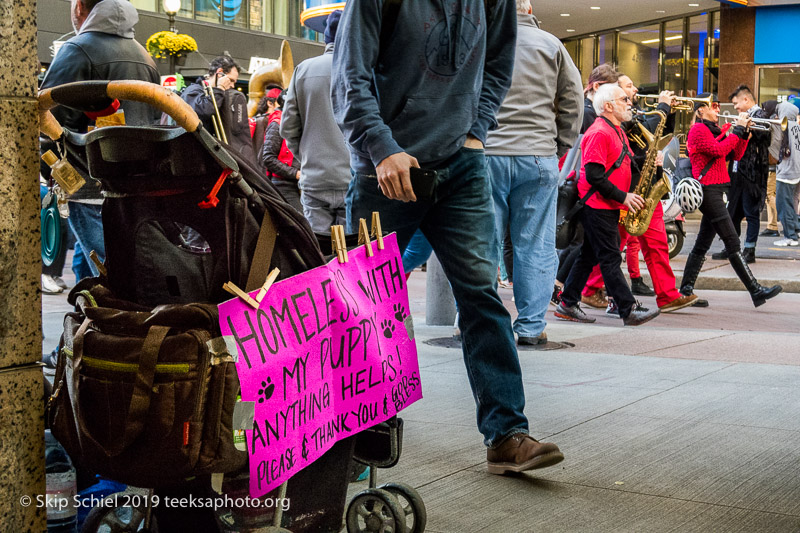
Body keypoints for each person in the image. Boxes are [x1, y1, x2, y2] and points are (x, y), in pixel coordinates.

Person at [332, 0, 565, 474]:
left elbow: (499, 64)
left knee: (482, 295)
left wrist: (476, 131)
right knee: (364, 304)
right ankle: (351, 437)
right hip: (386, 169)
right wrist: (381, 148)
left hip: (462, 165)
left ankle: (506, 434)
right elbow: (348, 79)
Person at [40, 0, 160, 282]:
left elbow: (48, 119)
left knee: (110, 269)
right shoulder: (144, 55)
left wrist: (50, 171)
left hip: (88, 179)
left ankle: (121, 320)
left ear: (80, 6)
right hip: (135, 179)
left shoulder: (77, 49)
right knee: (94, 262)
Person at [485, 0, 583, 346]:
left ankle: (470, 320)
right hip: (538, 155)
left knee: (482, 242)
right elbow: (573, 101)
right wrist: (559, 146)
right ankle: (529, 327)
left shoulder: (482, 38)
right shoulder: (552, 45)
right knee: (535, 245)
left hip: (487, 154)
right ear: (528, 8)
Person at [554, 83, 660, 327]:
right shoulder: (599, 132)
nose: (629, 103)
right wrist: (624, 197)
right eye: (624, 99)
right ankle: (628, 309)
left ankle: (567, 302)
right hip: (597, 205)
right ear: (609, 106)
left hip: (607, 205)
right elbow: (593, 175)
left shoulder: (617, 130)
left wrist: (651, 160)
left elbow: (625, 162)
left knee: (588, 255)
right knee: (610, 257)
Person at [679, 94, 782, 307]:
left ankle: (685, 291)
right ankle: (755, 290)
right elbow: (719, 150)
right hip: (708, 191)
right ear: (700, 111)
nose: (718, 110)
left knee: (702, 243)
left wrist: (744, 134)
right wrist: (737, 130)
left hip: (718, 190)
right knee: (732, 241)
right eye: (713, 106)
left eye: (717, 106)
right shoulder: (698, 130)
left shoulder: (714, 131)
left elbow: (734, 154)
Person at [606, 75, 697, 313]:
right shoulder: (616, 117)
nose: (634, 90)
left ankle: (667, 295)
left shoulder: (635, 113)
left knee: (657, 244)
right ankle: (590, 288)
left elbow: (659, 135)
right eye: (628, 87)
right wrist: (663, 107)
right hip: (629, 190)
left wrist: (670, 112)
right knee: (616, 244)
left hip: (647, 190)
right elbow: (629, 146)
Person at [281, 10, 350, 234]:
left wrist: (306, 156)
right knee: (352, 253)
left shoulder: (303, 70)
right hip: (352, 178)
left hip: (314, 177)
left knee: (318, 252)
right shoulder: (361, 70)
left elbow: (288, 127)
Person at [711, 85, 771, 263]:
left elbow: (764, 139)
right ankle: (732, 249)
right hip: (737, 171)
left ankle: (749, 250)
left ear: (746, 99)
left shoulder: (760, 115)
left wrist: (747, 128)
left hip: (752, 172)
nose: (735, 108)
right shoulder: (743, 117)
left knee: (750, 212)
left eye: (736, 104)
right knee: (732, 212)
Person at [259, 89, 303, 214]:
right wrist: (296, 173)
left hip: (299, 184)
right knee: (302, 224)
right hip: (284, 185)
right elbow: (268, 158)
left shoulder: (298, 123)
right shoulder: (276, 124)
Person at [181, 55, 240, 135]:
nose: (232, 86)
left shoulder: (220, 94)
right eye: (231, 80)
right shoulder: (193, 90)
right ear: (220, 73)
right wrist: (220, 88)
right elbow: (204, 111)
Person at [773, 102, 800, 246]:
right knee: (791, 203)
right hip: (797, 170)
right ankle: (795, 231)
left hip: (787, 171)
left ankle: (790, 237)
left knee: (783, 205)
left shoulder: (783, 127)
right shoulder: (797, 127)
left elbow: (774, 146)